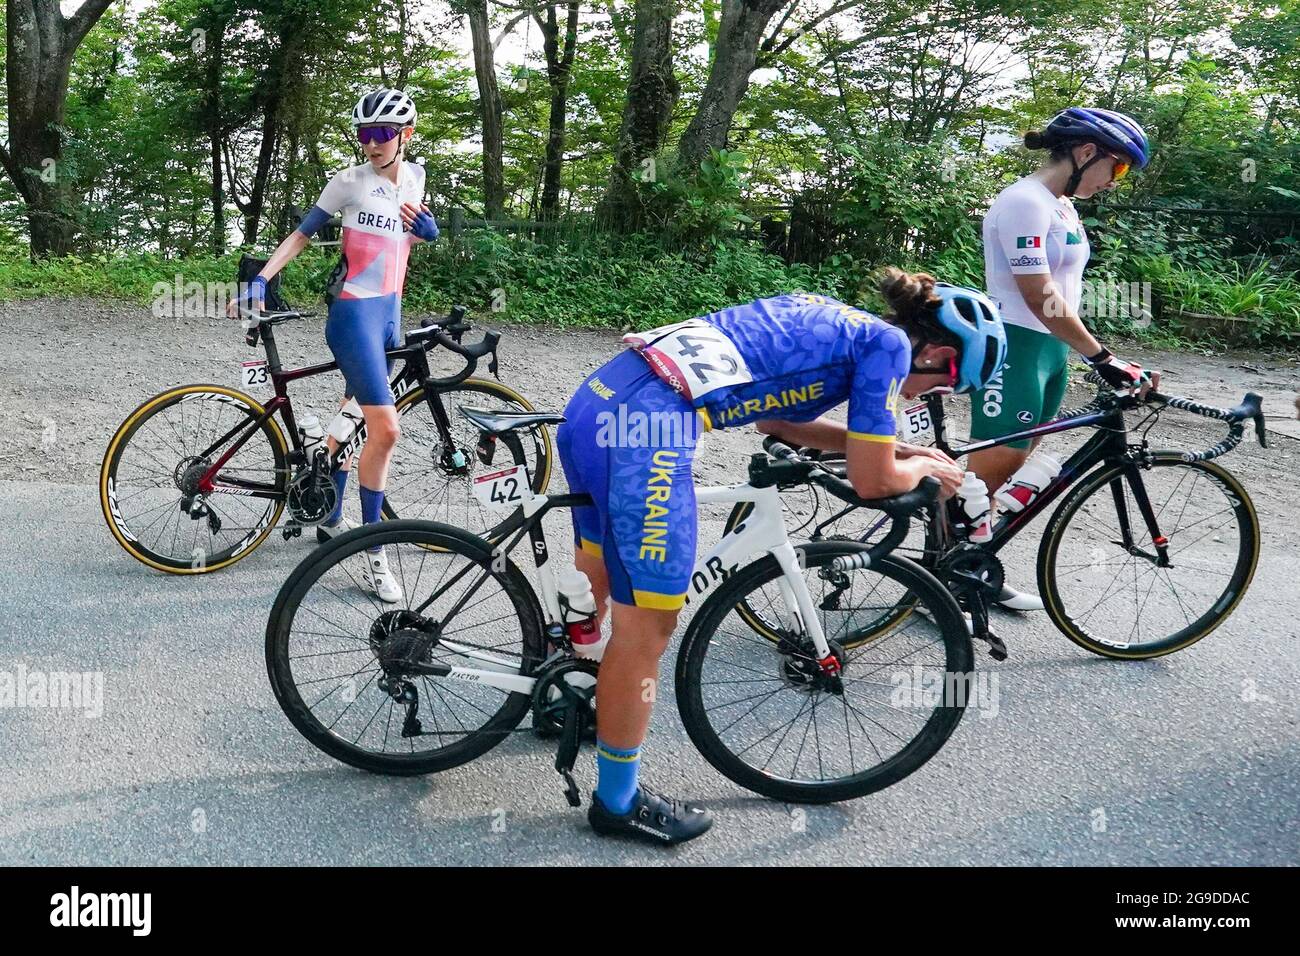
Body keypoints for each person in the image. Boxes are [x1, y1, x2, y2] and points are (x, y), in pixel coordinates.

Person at [557, 268, 1006, 845]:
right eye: (945, 386)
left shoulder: (828, 311)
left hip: (600, 402)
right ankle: (617, 803)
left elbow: (772, 417)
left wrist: (891, 448)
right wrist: (920, 465)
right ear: (939, 355)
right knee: (648, 625)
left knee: (596, 562)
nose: (929, 397)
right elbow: (873, 484)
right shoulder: (890, 349)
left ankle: (563, 687)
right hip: (647, 434)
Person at [227, 88, 440, 603]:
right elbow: (300, 235)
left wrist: (427, 232)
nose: (371, 144)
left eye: (381, 134)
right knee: (386, 429)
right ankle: (372, 553)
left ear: (405, 135)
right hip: (353, 318)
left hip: (390, 312)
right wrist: (262, 278)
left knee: (356, 421)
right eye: (364, 134)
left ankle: (326, 509)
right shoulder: (347, 183)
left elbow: (403, 240)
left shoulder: (415, 177)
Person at [972, 106, 1159, 611]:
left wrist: (1086, 352)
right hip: (1017, 345)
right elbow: (1039, 295)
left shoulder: (1060, 205)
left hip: (1050, 351)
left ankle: (969, 566)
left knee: (1003, 473)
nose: (1114, 182)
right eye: (1117, 168)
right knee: (986, 471)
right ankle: (938, 581)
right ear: (1085, 152)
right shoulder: (1023, 202)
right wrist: (1102, 357)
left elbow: (1063, 292)